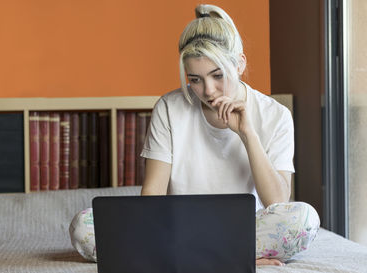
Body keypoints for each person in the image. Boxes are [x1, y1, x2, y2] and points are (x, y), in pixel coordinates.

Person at [69, 4, 320, 267]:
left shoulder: (275, 115)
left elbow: (277, 202)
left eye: (217, 75)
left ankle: (195, 253)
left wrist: (247, 134)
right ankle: (228, 255)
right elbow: (152, 193)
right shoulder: (169, 107)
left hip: (244, 230)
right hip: (176, 228)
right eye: (195, 79)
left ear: (240, 63)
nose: (208, 90)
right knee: (84, 227)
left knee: (303, 219)